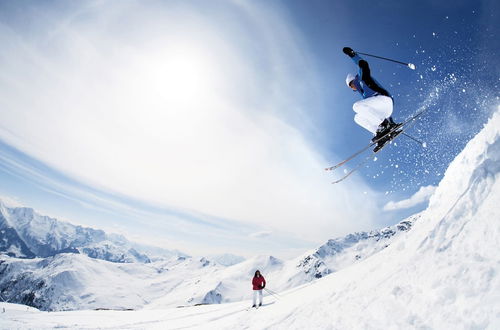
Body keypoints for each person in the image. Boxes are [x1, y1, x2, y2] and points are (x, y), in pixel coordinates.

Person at [343, 46, 402, 152]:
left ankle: (384, 125)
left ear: (352, 82)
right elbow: (374, 109)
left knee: (356, 106)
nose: (353, 88)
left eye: (351, 86)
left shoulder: (362, 78)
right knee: (357, 117)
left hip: (385, 100)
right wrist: (392, 124)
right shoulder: (364, 95)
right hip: (384, 111)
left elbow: (363, 64)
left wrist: (352, 55)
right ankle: (380, 133)